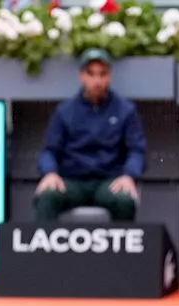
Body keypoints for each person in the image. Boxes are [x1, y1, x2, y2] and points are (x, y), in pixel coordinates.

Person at [34, 47, 147, 222]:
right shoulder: (65, 111)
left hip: (109, 182)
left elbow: (137, 150)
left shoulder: (125, 110)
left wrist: (129, 176)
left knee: (124, 199)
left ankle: (120, 250)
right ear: (82, 76)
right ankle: (43, 249)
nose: (97, 80)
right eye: (91, 74)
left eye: (102, 74)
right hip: (71, 181)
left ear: (109, 77)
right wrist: (49, 173)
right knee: (47, 195)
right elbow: (49, 150)